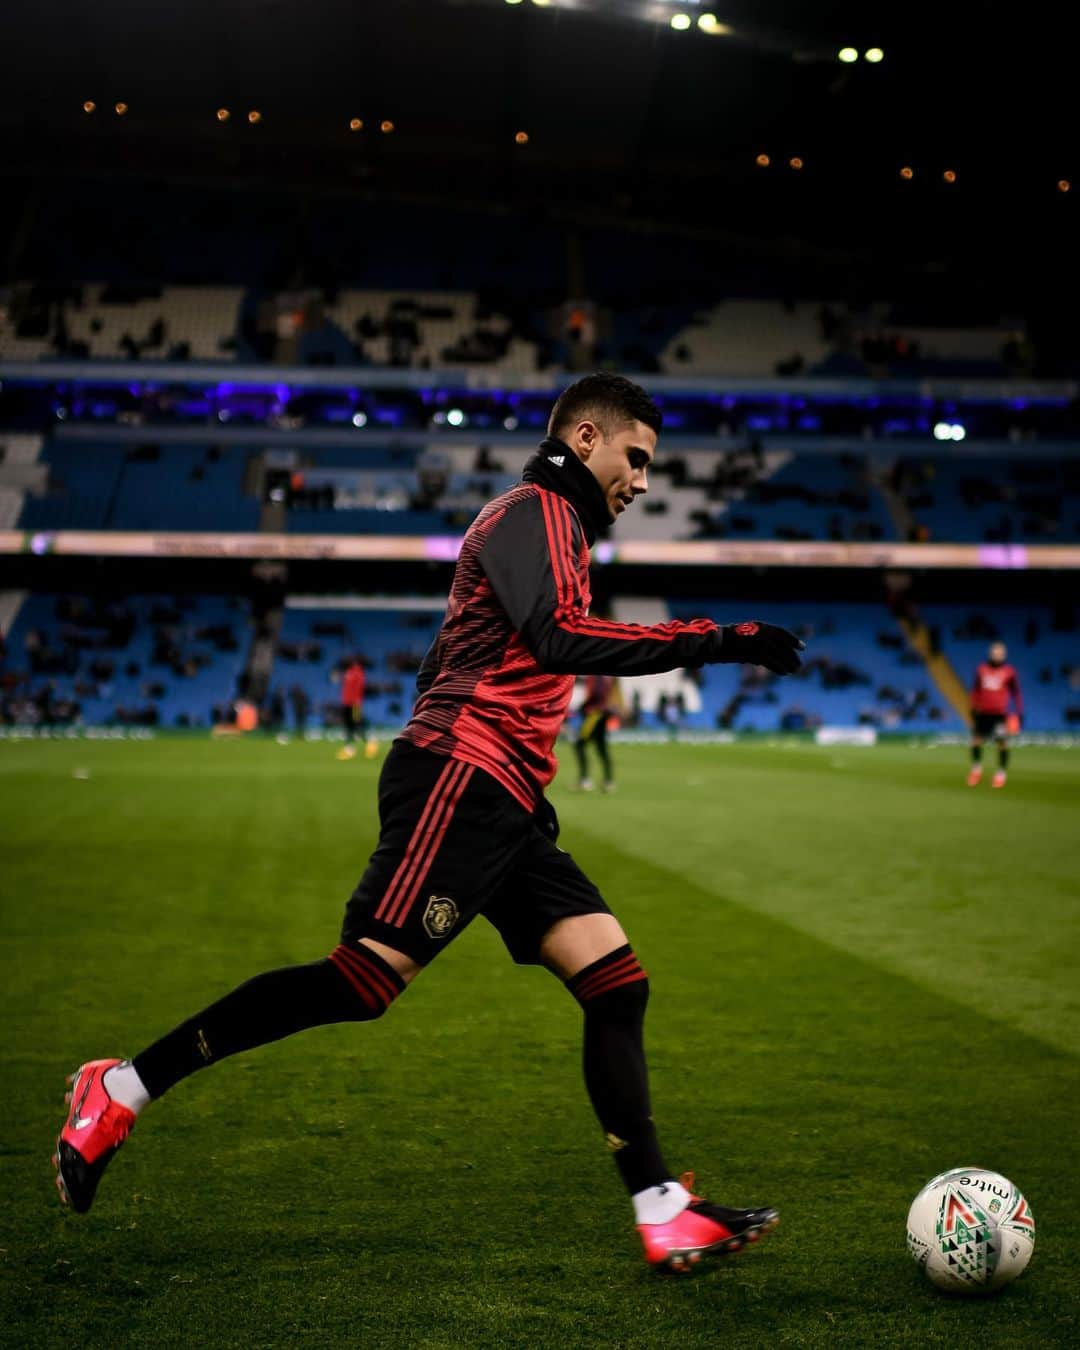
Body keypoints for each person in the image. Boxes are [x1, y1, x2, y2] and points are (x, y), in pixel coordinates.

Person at [53, 373, 804, 1273]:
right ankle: (121, 1087)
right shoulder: (535, 510)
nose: (641, 482)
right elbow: (561, 636)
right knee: (360, 983)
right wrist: (721, 638)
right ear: (589, 437)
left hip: (501, 796)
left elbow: (454, 657)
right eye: (635, 459)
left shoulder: (544, 524)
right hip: (463, 782)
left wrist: (518, 771)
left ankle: (662, 1211)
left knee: (616, 982)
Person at [967, 640, 1023, 789]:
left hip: (1000, 714)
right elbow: (975, 690)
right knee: (976, 741)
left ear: (1004, 655)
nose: (997, 655)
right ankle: (976, 769)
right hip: (983, 713)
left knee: (1002, 743)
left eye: (1000, 653)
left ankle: (1000, 774)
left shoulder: (1009, 672)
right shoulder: (981, 669)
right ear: (990, 653)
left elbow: (1016, 693)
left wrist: (1019, 712)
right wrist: (973, 707)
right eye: (995, 652)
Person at [574, 674, 619, 791]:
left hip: (594, 715)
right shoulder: (603, 677)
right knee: (602, 748)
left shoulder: (595, 676)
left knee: (579, 745)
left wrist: (583, 706)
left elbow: (596, 693)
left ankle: (585, 780)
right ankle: (608, 781)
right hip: (601, 714)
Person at [336, 656, 375, 761]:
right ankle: (349, 749)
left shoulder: (358, 672)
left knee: (357, 725)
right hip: (346, 703)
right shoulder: (348, 672)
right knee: (348, 726)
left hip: (354, 704)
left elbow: (359, 688)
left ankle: (370, 743)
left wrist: (357, 702)